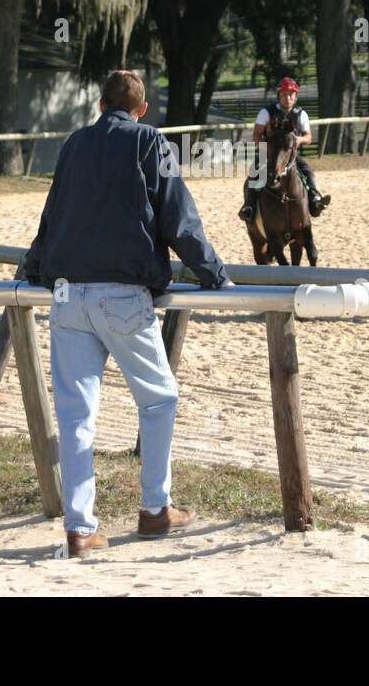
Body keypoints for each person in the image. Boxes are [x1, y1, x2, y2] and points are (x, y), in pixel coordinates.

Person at [25, 70, 232, 558]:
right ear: (141, 109)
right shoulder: (149, 141)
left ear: (100, 105)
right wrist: (215, 275)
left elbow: (52, 213)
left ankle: (79, 529)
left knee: (75, 416)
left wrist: (33, 267)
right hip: (121, 296)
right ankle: (155, 507)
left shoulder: (75, 143)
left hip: (64, 294)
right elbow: (178, 218)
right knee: (159, 399)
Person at [238, 76, 330, 222]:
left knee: (308, 171)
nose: (288, 98)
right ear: (279, 96)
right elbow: (256, 137)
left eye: (291, 94)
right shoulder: (266, 113)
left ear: (296, 96)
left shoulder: (301, 114)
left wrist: (298, 140)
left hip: (290, 156)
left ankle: (314, 200)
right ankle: (249, 206)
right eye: (285, 94)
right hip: (267, 155)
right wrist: (271, 148)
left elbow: (308, 137)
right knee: (255, 173)